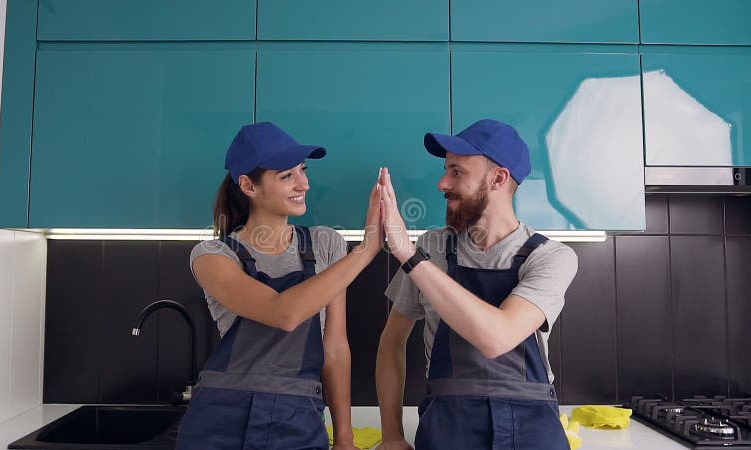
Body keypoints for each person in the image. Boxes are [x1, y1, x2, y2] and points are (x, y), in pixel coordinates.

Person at [176, 122, 382, 450]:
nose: (304, 184)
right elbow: (284, 313)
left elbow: (335, 348)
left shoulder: (326, 244)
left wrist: (344, 437)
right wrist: (367, 251)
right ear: (248, 185)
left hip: (297, 417)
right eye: (287, 176)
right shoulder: (214, 255)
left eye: (302, 170)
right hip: (221, 419)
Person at [375, 119, 578, 450]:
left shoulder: (551, 257)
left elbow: (496, 337)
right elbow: (391, 342)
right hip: (447, 426)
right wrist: (392, 434)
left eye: (457, 172)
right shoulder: (432, 248)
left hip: (532, 428)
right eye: (445, 170)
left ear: (497, 178)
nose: (442, 183)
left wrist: (409, 256)